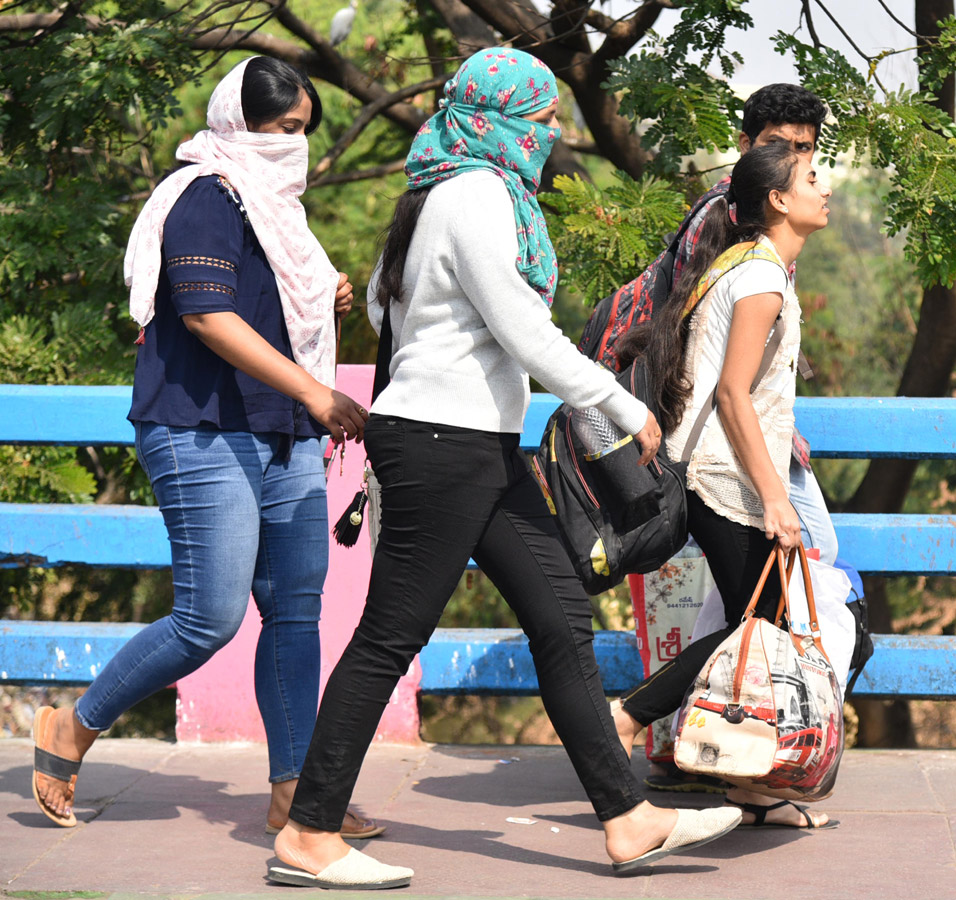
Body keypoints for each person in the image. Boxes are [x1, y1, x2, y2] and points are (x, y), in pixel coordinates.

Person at [268, 48, 741, 889]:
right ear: (501, 120)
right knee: (391, 636)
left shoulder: (436, 193)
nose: (553, 131)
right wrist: (627, 408)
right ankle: (308, 831)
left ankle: (628, 820)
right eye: (543, 116)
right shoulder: (473, 194)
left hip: (482, 445)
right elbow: (525, 333)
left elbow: (392, 307)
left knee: (562, 621)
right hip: (440, 447)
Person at [29, 56, 381, 840]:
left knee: (294, 613)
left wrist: (323, 294)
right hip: (199, 430)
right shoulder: (203, 196)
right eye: (283, 128)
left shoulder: (277, 208)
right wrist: (317, 393)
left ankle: (294, 793)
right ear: (238, 123)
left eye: (304, 133)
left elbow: (268, 295)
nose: (295, 145)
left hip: (280, 432)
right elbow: (207, 318)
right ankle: (73, 727)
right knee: (210, 617)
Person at [609, 139, 839, 831]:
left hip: (716, 471)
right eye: (811, 176)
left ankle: (750, 783)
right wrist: (775, 496)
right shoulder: (761, 277)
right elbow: (736, 397)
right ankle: (625, 719)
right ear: (778, 200)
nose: (823, 186)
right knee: (756, 627)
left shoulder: (745, 265)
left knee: (761, 624)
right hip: (723, 478)